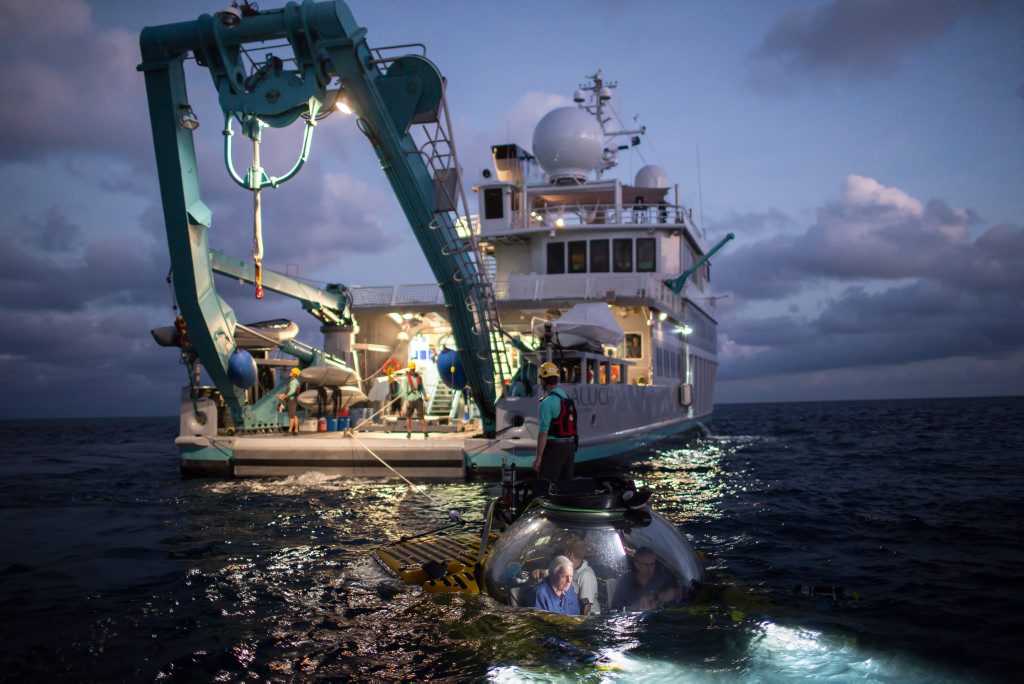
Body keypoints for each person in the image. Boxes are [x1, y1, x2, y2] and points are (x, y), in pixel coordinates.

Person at [530, 537, 600, 614]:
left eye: (564, 551)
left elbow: (587, 606)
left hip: (589, 615)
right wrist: (541, 571)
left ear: (569, 553)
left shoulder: (586, 575)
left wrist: (581, 620)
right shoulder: (541, 592)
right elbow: (556, 571)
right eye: (564, 576)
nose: (569, 581)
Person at [532, 362, 577, 480]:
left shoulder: (547, 402)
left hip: (555, 448)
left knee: (545, 483)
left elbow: (543, 433)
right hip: (570, 447)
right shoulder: (566, 397)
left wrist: (539, 458)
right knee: (566, 485)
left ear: (542, 381)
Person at [610, 547, 683, 612]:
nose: (650, 568)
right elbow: (615, 609)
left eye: (652, 564)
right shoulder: (626, 582)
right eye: (646, 565)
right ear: (637, 565)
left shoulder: (661, 575)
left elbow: (681, 592)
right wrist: (637, 609)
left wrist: (659, 596)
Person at [403, 361, 429, 439]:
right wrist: (406, 400)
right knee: (408, 416)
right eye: (411, 369)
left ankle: (425, 432)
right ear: (409, 369)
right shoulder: (407, 379)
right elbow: (405, 391)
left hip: (418, 399)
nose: (412, 371)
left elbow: (422, 388)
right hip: (410, 399)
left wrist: (425, 396)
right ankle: (408, 432)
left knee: (421, 416)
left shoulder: (419, 377)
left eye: (413, 369)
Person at [278, 367, 301, 433]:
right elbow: (290, 391)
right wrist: (283, 394)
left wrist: (284, 396)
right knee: (294, 415)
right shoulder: (293, 381)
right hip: (293, 400)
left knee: (291, 416)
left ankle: (290, 431)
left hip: (292, 400)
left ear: (294, 374)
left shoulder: (293, 382)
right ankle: (296, 430)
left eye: (291, 372)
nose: (290, 372)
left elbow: (292, 391)